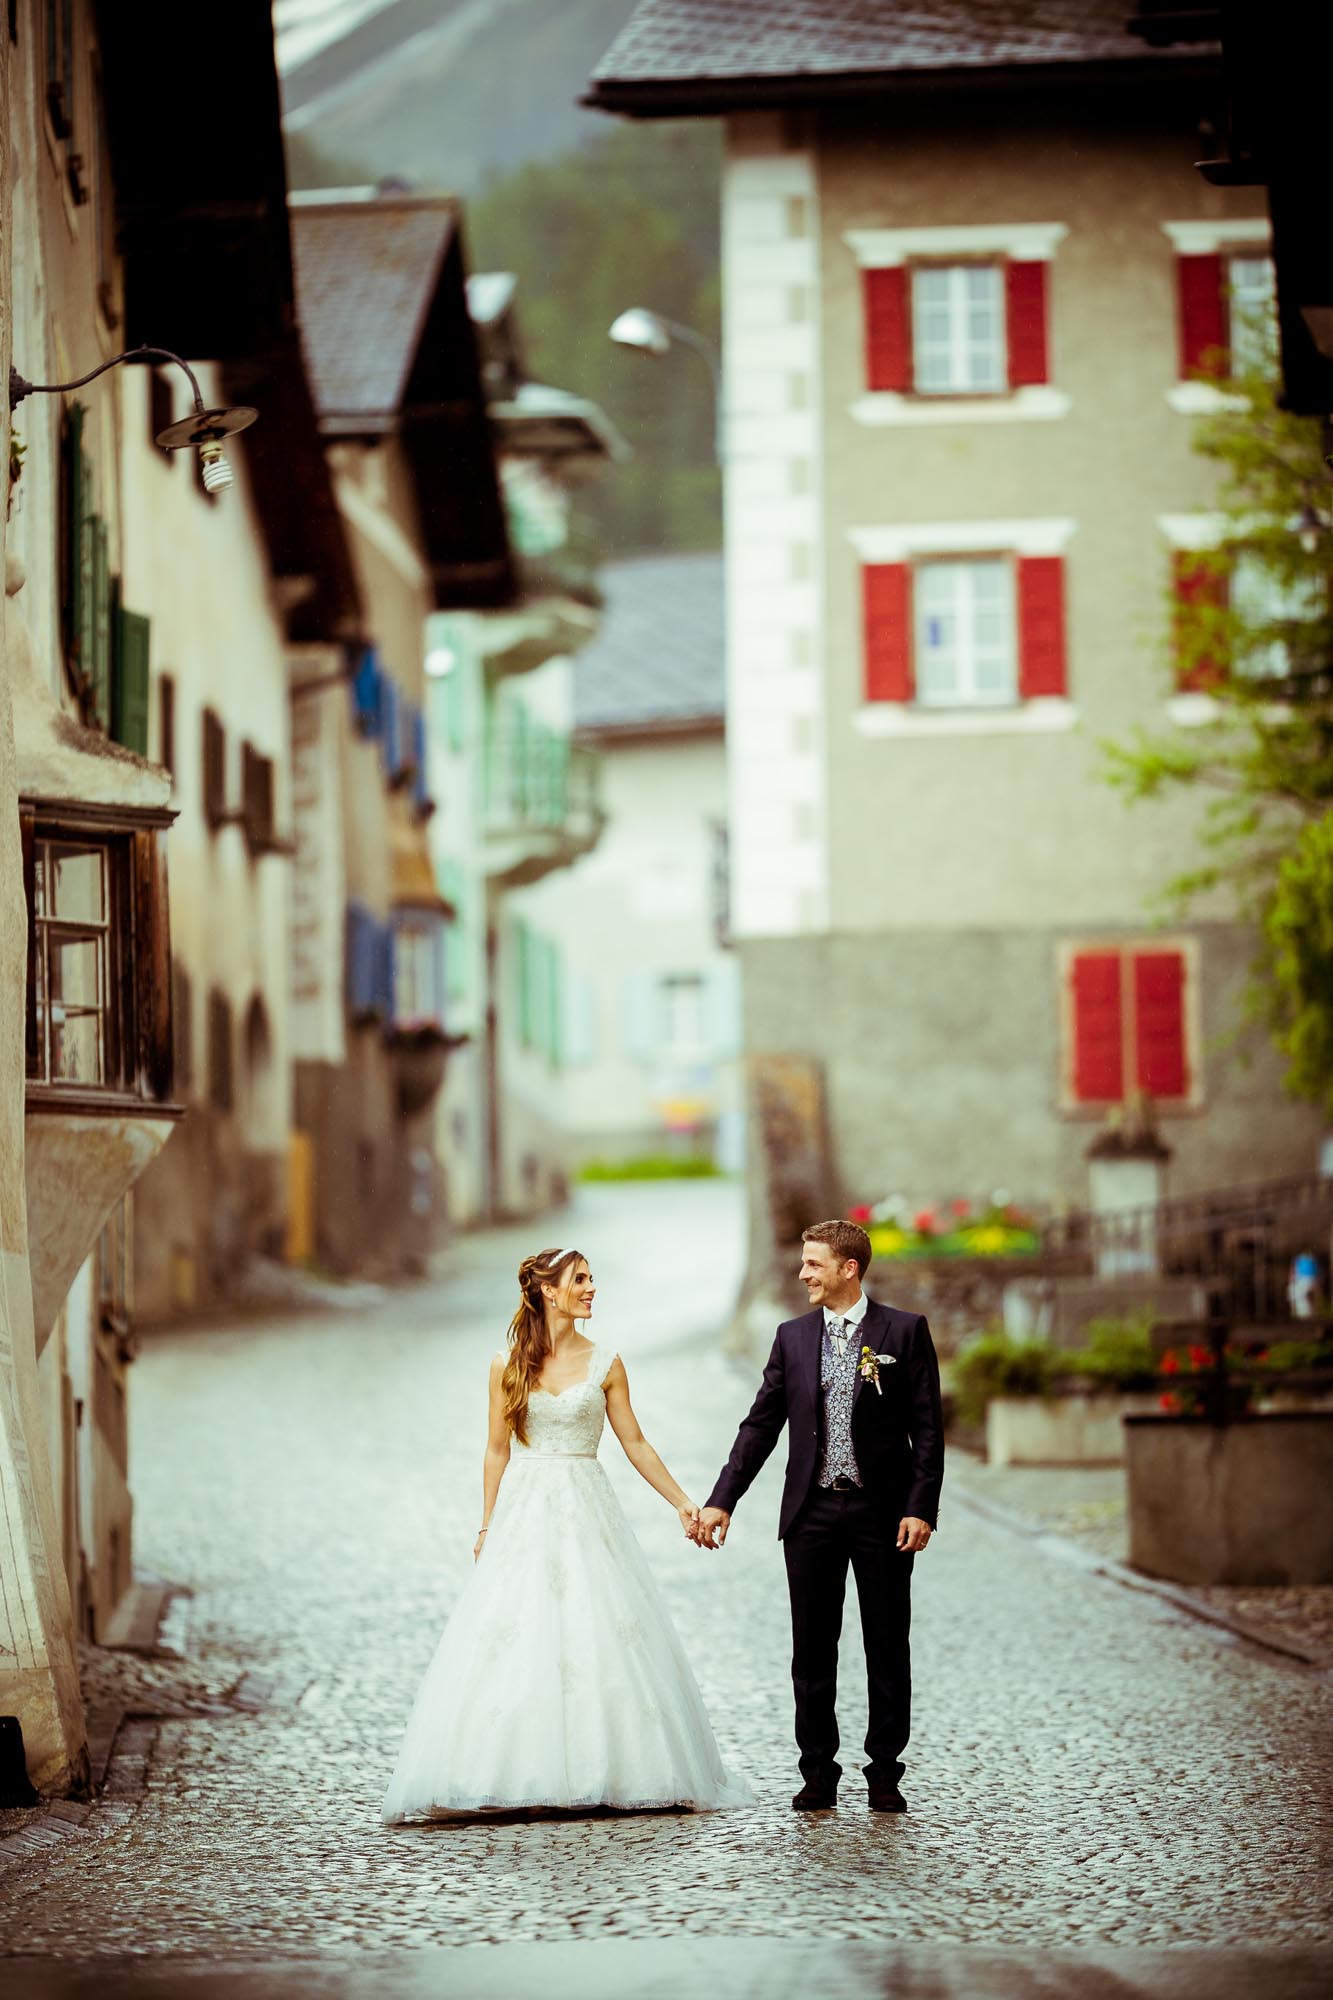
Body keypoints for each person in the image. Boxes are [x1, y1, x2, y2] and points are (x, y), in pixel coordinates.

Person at [382, 1246, 751, 1822]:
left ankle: (610, 1768)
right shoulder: (506, 1362)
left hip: (586, 1503)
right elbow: (496, 1448)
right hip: (525, 1510)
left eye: (592, 1278)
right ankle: (504, 1769)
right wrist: (486, 1523)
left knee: (597, 1627)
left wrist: (684, 1504)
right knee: (517, 1629)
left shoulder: (606, 1362)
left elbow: (634, 1442)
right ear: (548, 1291)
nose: (591, 1288)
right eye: (580, 1279)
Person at [691, 1220, 943, 1815]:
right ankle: (818, 1772)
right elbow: (760, 1425)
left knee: (887, 1644)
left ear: (848, 1269)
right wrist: (722, 1499)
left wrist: (920, 1508)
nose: (803, 1273)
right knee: (812, 1649)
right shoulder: (791, 1337)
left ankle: (884, 1773)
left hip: (884, 1515)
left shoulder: (903, 1333)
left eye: (814, 1264)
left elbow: (928, 1431)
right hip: (811, 1513)